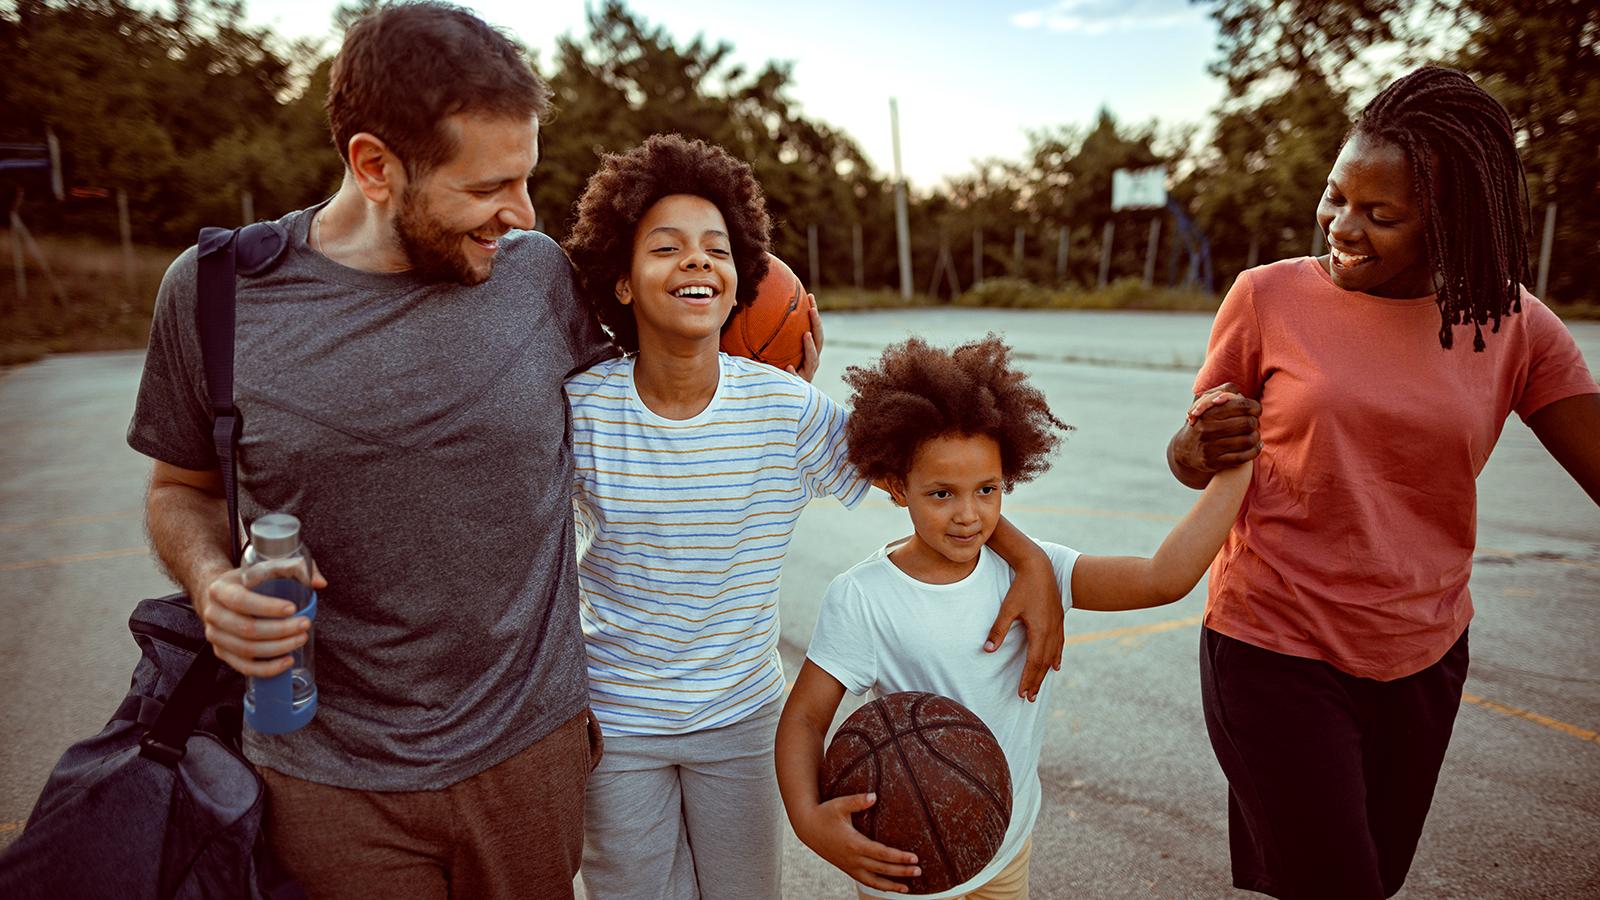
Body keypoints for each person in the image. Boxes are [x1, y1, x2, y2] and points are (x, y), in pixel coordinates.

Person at [127, 5, 613, 897]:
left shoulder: (540, 275)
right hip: (326, 775)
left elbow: (666, 393)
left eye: (527, 178)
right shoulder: (216, 297)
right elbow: (179, 488)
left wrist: (772, 373)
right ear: (374, 165)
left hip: (528, 755)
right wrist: (210, 583)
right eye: (487, 187)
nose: (521, 212)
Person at [560, 136, 1068, 900]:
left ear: (739, 282)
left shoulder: (784, 409)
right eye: (666, 248)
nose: (697, 261)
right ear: (622, 282)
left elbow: (925, 477)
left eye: (717, 249)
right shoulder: (584, 409)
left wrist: (1027, 559)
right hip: (618, 718)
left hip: (739, 718)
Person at [1167, 66, 1600, 900]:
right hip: (1271, 644)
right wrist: (1195, 440)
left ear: (1450, 221)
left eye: (1382, 214)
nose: (1343, 227)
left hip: (1423, 653)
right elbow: (1194, 461)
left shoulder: (1512, 326)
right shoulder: (1267, 298)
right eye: (1335, 198)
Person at [775, 335, 1255, 899]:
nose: (968, 514)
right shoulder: (864, 597)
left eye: (987, 489)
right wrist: (809, 821)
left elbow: (1161, 578)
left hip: (1003, 848)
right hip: (904, 860)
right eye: (940, 494)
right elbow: (805, 720)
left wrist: (1240, 463)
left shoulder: (1036, 570)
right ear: (896, 487)